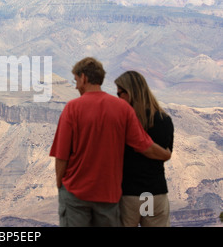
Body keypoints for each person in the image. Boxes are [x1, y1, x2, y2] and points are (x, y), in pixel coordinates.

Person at [49, 57, 171, 227]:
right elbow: (144, 145)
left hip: (78, 192)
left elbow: (61, 154)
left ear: (83, 77)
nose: (76, 86)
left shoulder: (72, 108)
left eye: (76, 80)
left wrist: (59, 185)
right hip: (110, 194)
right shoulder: (123, 109)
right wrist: (165, 154)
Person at [115, 70, 174, 227]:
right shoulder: (164, 120)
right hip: (154, 194)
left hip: (128, 196)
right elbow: (166, 153)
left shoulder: (121, 122)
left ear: (131, 93)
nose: (118, 97)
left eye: (121, 93)